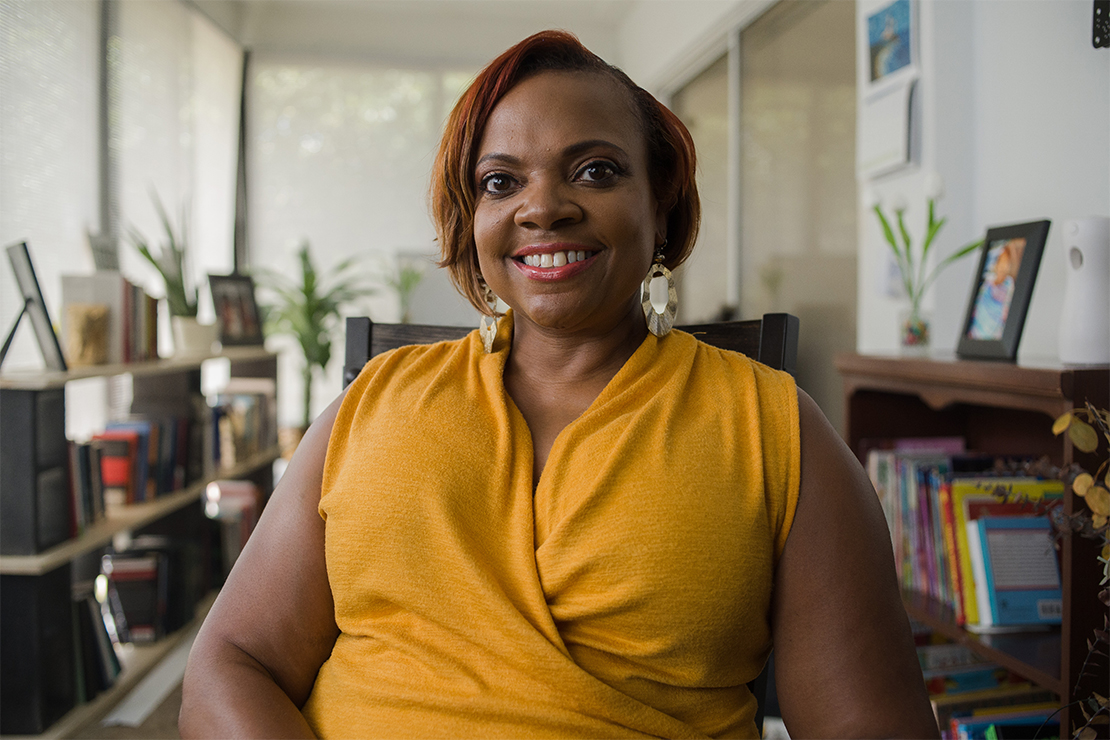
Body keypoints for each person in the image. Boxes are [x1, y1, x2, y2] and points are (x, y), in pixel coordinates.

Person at [179, 30, 939, 739]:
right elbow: (231, 663)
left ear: (661, 201)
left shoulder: (773, 430)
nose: (542, 207)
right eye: (501, 181)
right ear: (471, 223)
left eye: (596, 171)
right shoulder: (371, 403)